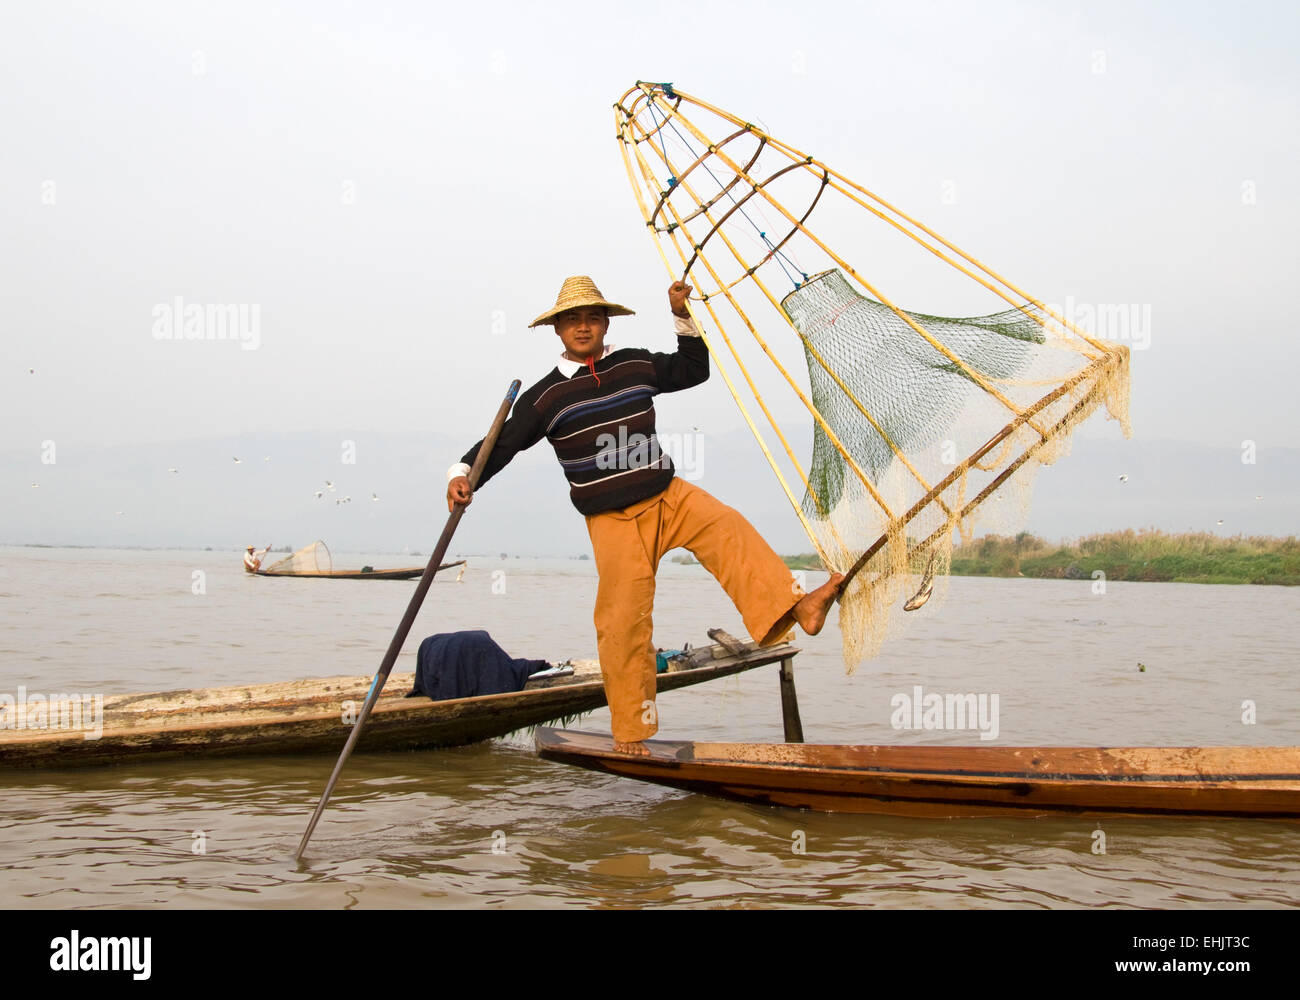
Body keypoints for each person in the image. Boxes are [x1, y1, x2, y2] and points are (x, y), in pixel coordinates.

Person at [446, 276, 842, 755]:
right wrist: (463, 473)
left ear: (605, 322)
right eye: (573, 320)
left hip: (667, 495)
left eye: (593, 318)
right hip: (611, 521)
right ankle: (631, 734)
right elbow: (502, 445)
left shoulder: (632, 363)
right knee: (622, 623)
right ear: (558, 330)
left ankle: (798, 606)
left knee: (729, 527)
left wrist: (681, 313)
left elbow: (693, 370)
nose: (584, 327)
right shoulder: (544, 398)